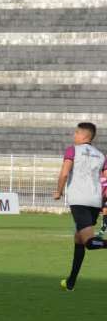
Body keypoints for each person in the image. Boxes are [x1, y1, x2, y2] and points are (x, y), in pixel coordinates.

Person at [53, 122, 107, 291]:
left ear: (84, 136)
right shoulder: (100, 155)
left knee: (90, 243)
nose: (74, 136)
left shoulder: (72, 150)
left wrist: (58, 191)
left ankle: (71, 283)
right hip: (95, 201)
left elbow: (64, 172)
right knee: (79, 239)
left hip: (79, 201)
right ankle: (71, 282)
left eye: (76, 133)